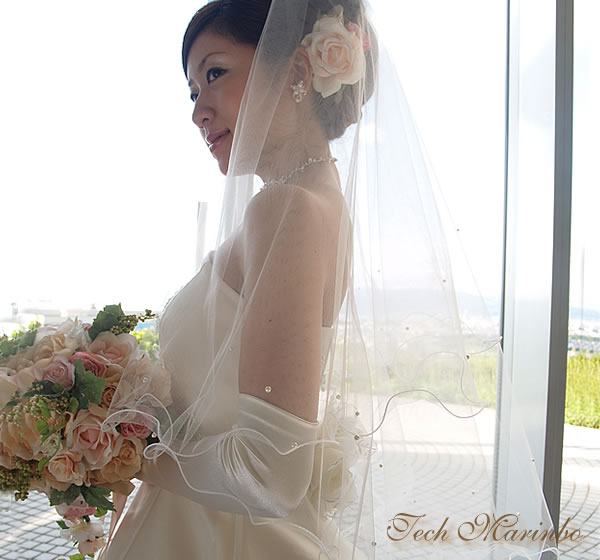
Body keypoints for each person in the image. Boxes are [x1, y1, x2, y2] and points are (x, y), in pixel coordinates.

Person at [99, 1, 559, 558]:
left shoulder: (287, 210)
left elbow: (269, 474)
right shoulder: (310, 203)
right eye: (193, 91)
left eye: (214, 73)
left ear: (296, 68)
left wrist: (116, 451)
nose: (198, 110)